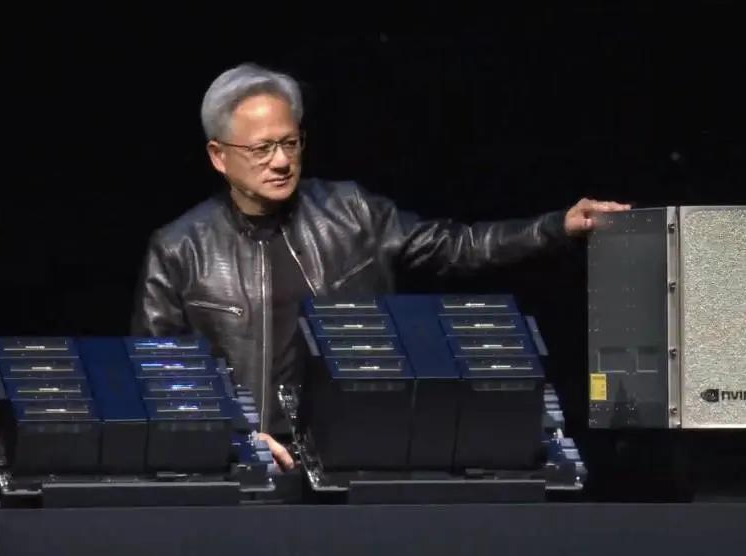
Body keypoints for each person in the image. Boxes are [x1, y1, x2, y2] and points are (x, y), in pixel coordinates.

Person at [130, 62, 630, 471]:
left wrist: (556, 227)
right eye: (262, 149)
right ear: (219, 156)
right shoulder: (179, 248)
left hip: (358, 456)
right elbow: (159, 378)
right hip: (254, 467)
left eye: (290, 143)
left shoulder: (352, 213)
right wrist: (238, 438)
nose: (280, 161)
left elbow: (456, 246)